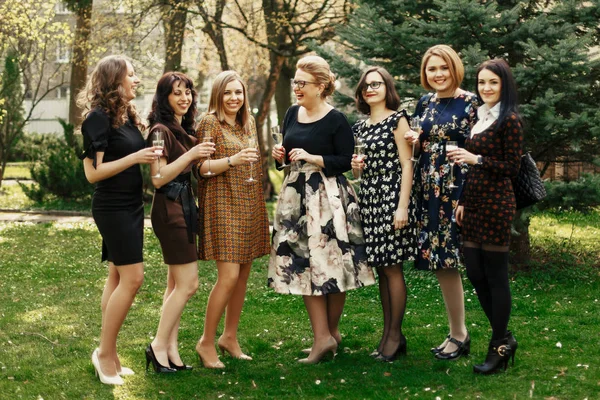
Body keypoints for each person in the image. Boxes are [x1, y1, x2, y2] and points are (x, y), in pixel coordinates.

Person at [268, 55, 376, 364]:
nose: (297, 88)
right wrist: (280, 156)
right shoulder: (291, 113)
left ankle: (329, 334)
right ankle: (324, 337)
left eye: (303, 83)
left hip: (327, 199)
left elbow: (345, 160)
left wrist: (315, 158)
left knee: (332, 265)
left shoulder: (335, 119)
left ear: (322, 86)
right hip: (295, 197)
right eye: (295, 82)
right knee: (302, 263)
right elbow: (287, 157)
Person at [77, 55, 158, 385]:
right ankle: (105, 354)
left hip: (132, 204)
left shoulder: (124, 116)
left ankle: (108, 353)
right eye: (131, 75)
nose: (136, 80)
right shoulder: (97, 119)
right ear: (115, 81)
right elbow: (92, 175)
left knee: (116, 276)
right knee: (133, 278)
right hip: (112, 207)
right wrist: (136, 157)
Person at [404, 44, 478, 360]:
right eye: (432, 69)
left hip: (457, 186)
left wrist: (467, 196)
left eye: (443, 68)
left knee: (453, 259)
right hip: (429, 187)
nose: (438, 74)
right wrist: (416, 143)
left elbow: (477, 149)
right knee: (441, 261)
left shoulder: (471, 103)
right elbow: (420, 146)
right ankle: (457, 332)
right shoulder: (424, 103)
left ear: (454, 68)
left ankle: (463, 334)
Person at [449, 58, 523, 374]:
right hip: (475, 204)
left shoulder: (510, 120)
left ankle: (498, 347)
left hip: (496, 204)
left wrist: (475, 158)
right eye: (481, 83)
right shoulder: (480, 116)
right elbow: (471, 168)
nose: (486, 88)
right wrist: (463, 200)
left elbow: (512, 167)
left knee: (495, 277)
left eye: (493, 82)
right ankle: (505, 337)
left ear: (503, 85)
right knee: (476, 274)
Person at [195, 70, 270, 369]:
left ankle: (230, 337)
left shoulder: (247, 123)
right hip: (222, 203)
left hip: (248, 203)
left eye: (238, 92)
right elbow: (200, 168)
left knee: (241, 278)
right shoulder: (209, 122)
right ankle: (206, 342)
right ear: (218, 94)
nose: (234, 98)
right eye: (228, 93)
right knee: (227, 278)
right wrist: (232, 161)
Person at [145, 72, 215, 373]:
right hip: (170, 208)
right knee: (188, 284)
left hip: (184, 207)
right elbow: (158, 177)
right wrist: (192, 157)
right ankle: (158, 345)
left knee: (175, 283)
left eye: (188, 92)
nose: (184, 98)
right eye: (177, 93)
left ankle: (170, 349)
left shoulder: (180, 127)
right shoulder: (159, 131)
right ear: (165, 98)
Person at [350, 66, 417, 361]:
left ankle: (394, 336)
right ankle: (390, 333)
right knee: (381, 267)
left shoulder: (398, 119)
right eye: (365, 86)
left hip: (392, 197)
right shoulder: (360, 127)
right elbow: (357, 168)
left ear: (387, 87)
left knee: (393, 268)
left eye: (376, 84)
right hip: (370, 198)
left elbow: (407, 164)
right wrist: (357, 166)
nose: (370, 89)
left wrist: (402, 206)